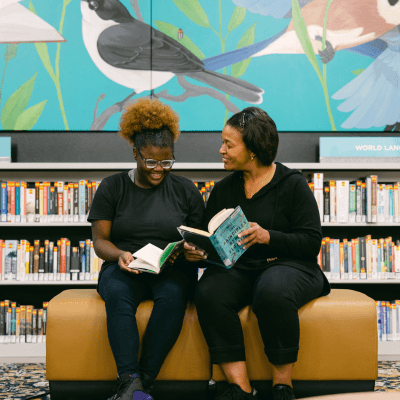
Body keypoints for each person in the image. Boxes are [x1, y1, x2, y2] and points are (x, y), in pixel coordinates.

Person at [184, 107, 331, 400]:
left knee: (272, 290)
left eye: (228, 144)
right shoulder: (224, 188)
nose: (221, 150)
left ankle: (282, 385)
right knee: (209, 291)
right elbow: (208, 235)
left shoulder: (293, 185)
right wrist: (196, 251)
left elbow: (310, 242)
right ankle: (239, 387)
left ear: (252, 149)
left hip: (289, 265)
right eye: (222, 143)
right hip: (239, 268)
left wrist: (267, 236)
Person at [88, 98, 205, 400]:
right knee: (117, 293)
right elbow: (100, 241)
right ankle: (129, 379)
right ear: (135, 153)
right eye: (150, 161)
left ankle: (142, 382)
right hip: (125, 266)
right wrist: (120, 255)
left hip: (172, 269)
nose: (158, 170)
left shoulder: (186, 190)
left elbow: (198, 238)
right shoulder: (113, 187)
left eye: (166, 162)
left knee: (175, 295)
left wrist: (192, 251)